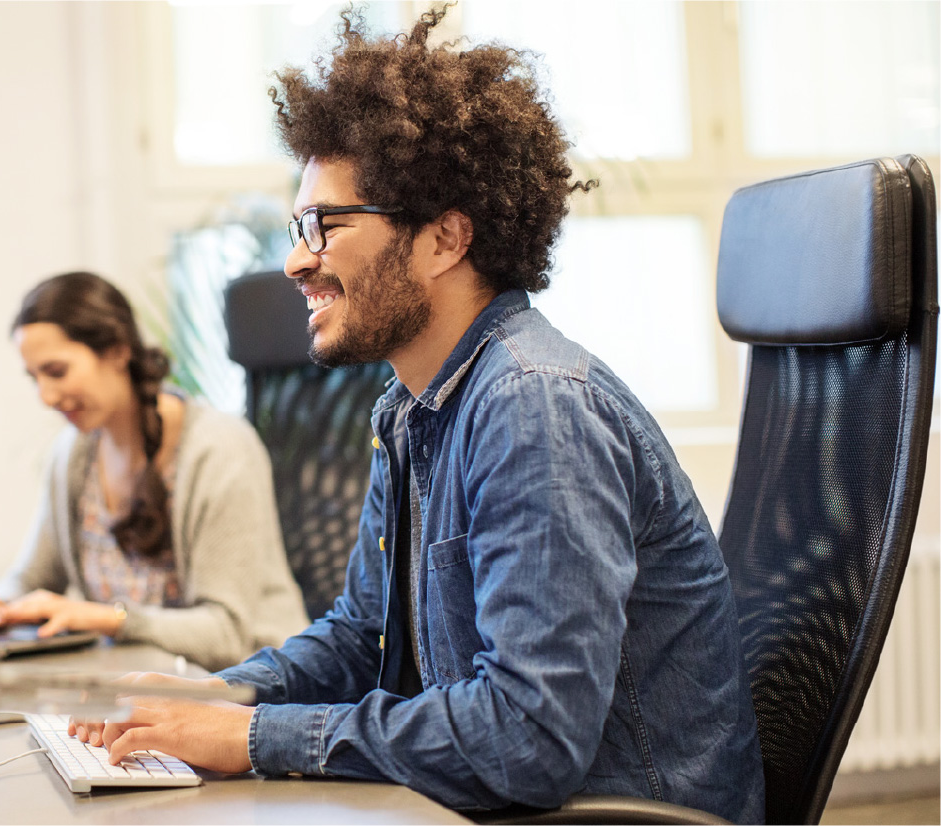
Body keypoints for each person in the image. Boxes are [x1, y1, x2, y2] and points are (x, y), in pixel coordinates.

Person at [70, 8, 765, 823]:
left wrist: (253, 736)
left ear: (443, 239)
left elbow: (528, 738)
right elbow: (361, 635)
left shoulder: (534, 408)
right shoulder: (410, 407)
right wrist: (217, 693)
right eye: (300, 227)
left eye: (324, 225)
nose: (296, 258)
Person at [0, 271, 309, 671]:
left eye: (56, 372)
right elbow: (32, 578)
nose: (46, 397)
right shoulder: (73, 452)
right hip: (140, 690)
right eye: (34, 378)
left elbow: (227, 634)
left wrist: (110, 619)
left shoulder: (220, 450)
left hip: (250, 689)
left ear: (118, 351)